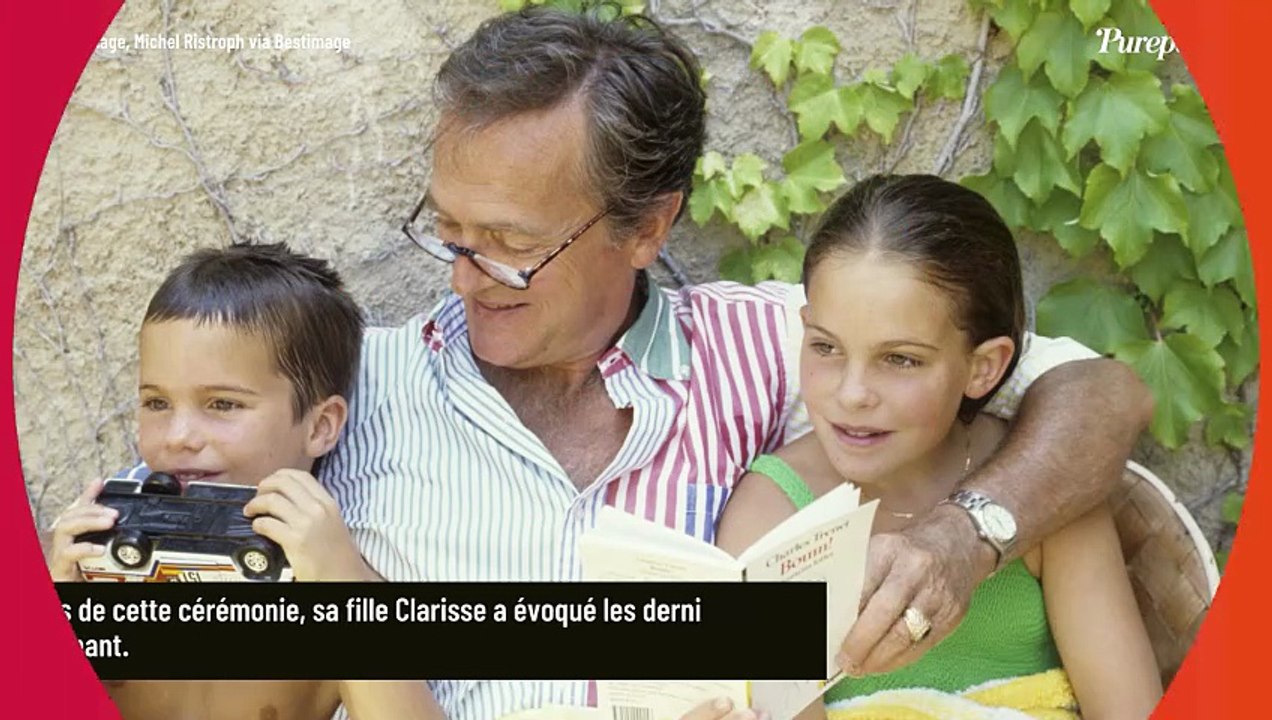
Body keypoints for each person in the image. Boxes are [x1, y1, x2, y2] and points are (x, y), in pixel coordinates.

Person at [318, 6, 1153, 720]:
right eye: (453, 231)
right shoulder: (358, 390)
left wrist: (965, 536)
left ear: (648, 228)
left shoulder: (782, 345)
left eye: (513, 245)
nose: (466, 274)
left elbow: (1100, 395)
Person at [715, 174, 1163, 720]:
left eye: (900, 359)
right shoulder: (772, 515)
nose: (852, 394)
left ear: (983, 367)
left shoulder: (1045, 489)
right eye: (826, 347)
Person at [45, 242, 441, 720]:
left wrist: (341, 580)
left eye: (223, 404)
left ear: (320, 426)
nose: (179, 437)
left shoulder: (339, 570)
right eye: (156, 403)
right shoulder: (110, 558)